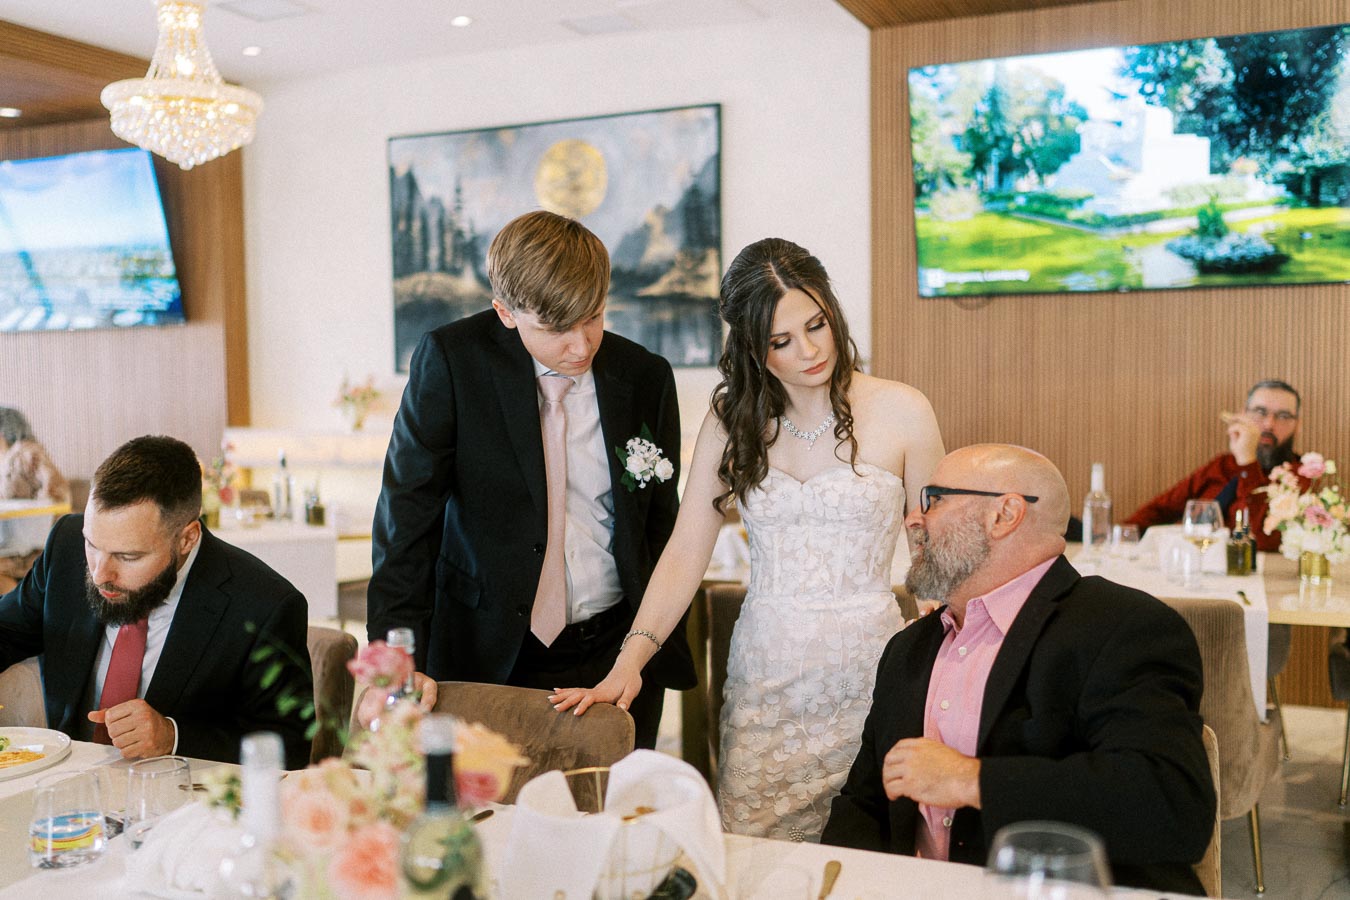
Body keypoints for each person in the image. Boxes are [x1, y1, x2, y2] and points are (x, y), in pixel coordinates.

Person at [551, 237, 945, 841]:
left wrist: (945, 683)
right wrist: (630, 660)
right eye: (780, 342)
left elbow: (935, 561)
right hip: (766, 680)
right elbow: (685, 551)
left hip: (871, 671)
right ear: (751, 349)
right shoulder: (732, 420)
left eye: (817, 325)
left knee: (872, 850)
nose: (810, 351)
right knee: (756, 851)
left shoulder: (903, 410)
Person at [366, 210, 695, 751]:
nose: (581, 346)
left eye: (592, 317)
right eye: (556, 328)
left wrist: (644, 650)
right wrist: (397, 657)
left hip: (612, 648)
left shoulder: (645, 376)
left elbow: (659, 526)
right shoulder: (452, 361)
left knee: (606, 815)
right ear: (506, 312)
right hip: (483, 647)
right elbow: (407, 515)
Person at [821, 444, 1215, 895]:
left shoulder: (1124, 628)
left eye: (934, 499)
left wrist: (972, 780)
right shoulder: (909, 647)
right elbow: (864, 804)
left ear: (1004, 515)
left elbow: (1171, 805)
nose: (914, 518)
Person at [0, 435, 314, 768]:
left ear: (187, 538)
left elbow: (290, 748)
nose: (99, 573)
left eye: (128, 556)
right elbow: (6, 629)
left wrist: (173, 736)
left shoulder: (264, 605)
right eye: (92, 545)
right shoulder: (65, 545)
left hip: (183, 803)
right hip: (68, 791)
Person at [1124, 379, 1302, 551]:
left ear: (1297, 425)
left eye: (1283, 416)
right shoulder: (1221, 466)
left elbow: (1261, 540)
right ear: (1242, 416)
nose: (1269, 424)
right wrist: (1121, 538)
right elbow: (1158, 511)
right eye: (1260, 412)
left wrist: (1247, 463)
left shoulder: (1302, 476)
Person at [0, 407, 71, 593]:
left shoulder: (25, 452)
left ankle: (13, 614)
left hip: (37, 542)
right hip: (23, 538)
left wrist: (42, 506)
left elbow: (55, 489)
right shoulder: (11, 457)